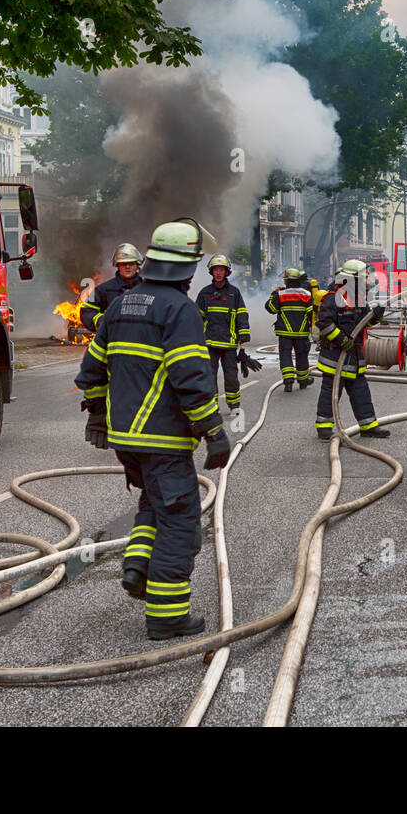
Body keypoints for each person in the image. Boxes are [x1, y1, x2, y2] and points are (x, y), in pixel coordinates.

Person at [75, 219, 231, 640]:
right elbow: (190, 377)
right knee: (181, 521)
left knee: (155, 502)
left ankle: (138, 565)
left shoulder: (120, 305)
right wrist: (215, 431)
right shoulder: (179, 309)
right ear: (186, 267)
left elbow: (92, 370)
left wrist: (97, 417)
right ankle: (167, 615)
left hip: (125, 440)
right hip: (161, 437)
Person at [315, 259, 390, 441]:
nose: (366, 282)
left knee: (361, 393)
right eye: (363, 278)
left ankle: (369, 426)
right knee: (330, 394)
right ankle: (324, 427)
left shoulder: (357, 298)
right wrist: (341, 339)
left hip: (354, 358)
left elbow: (365, 322)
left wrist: (376, 315)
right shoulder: (333, 297)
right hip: (336, 357)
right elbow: (324, 323)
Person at [196, 254, 250, 414]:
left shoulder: (234, 293)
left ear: (227, 272)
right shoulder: (204, 293)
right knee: (209, 376)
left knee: (231, 376)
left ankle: (234, 405)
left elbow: (241, 314)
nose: (218, 273)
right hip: (210, 343)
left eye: (221, 269)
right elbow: (197, 317)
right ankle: (212, 405)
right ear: (211, 272)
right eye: (216, 270)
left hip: (229, 343)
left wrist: (244, 332)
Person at [265, 267, 314, 391]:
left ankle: (288, 381)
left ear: (286, 281)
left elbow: (271, 308)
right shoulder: (306, 294)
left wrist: (273, 294)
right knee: (302, 356)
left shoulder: (280, 294)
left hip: (285, 333)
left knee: (285, 355)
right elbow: (311, 314)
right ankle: (303, 381)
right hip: (301, 332)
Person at [79, 243, 143, 332]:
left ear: (137, 265)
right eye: (123, 264)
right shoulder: (103, 289)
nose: (127, 267)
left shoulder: (148, 288)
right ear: (118, 266)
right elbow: (87, 311)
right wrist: (103, 322)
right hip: (113, 341)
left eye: (131, 263)